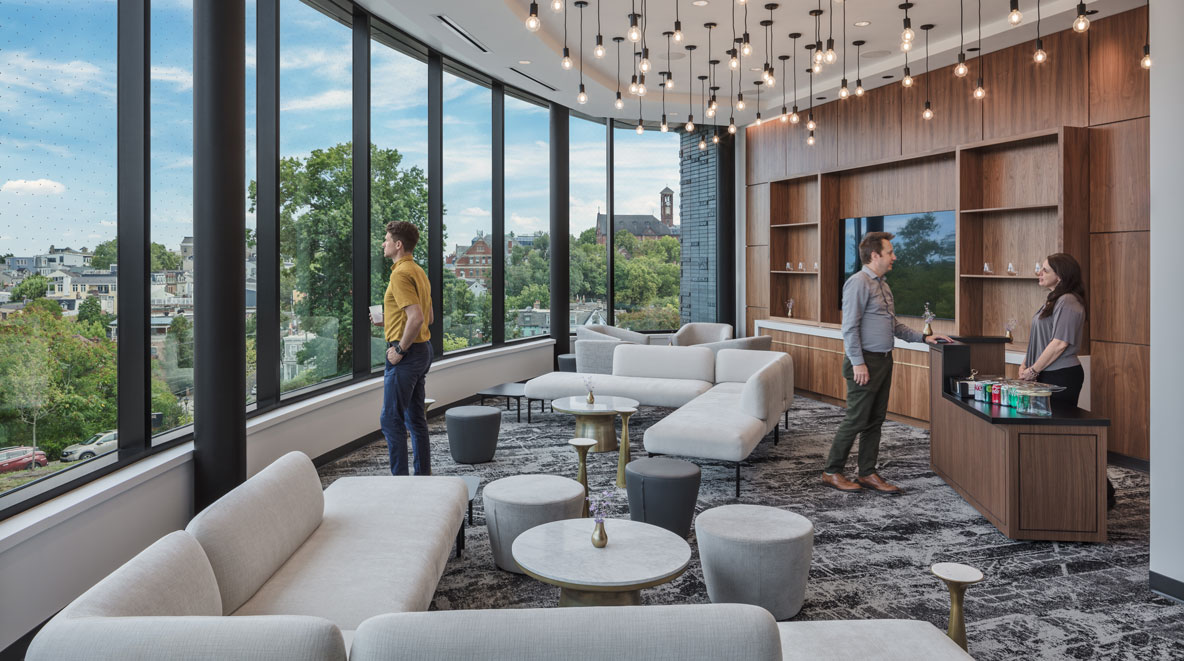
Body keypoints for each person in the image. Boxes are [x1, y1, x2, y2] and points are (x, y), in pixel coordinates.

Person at [823, 232, 952, 494]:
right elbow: (849, 328)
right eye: (890, 252)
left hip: (883, 360)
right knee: (856, 419)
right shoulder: (858, 283)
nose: (895, 257)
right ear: (875, 255)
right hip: (865, 362)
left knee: (875, 420)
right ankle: (832, 471)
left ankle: (867, 472)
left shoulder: (882, 283)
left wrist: (924, 338)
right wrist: (858, 364)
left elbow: (893, 324)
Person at [1019, 253, 1114, 507]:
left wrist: (1033, 370)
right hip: (1043, 373)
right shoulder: (1053, 300)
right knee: (1051, 438)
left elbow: (1060, 344)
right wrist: (1026, 364)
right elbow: (1041, 338)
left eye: (1045, 270)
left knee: (1062, 437)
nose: (1039, 272)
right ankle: (1061, 490)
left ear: (1060, 276)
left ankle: (1101, 493)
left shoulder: (1069, 302)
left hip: (1061, 375)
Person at [370, 220, 434, 476]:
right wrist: (387, 321)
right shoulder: (419, 271)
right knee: (416, 420)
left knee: (391, 420)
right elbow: (426, 317)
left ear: (398, 245)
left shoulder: (399, 273)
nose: (383, 244)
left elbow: (418, 318)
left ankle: (400, 484)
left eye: (386, 240)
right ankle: (422, 477)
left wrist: (400, 351)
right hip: (423, 351)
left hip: (407, 356)